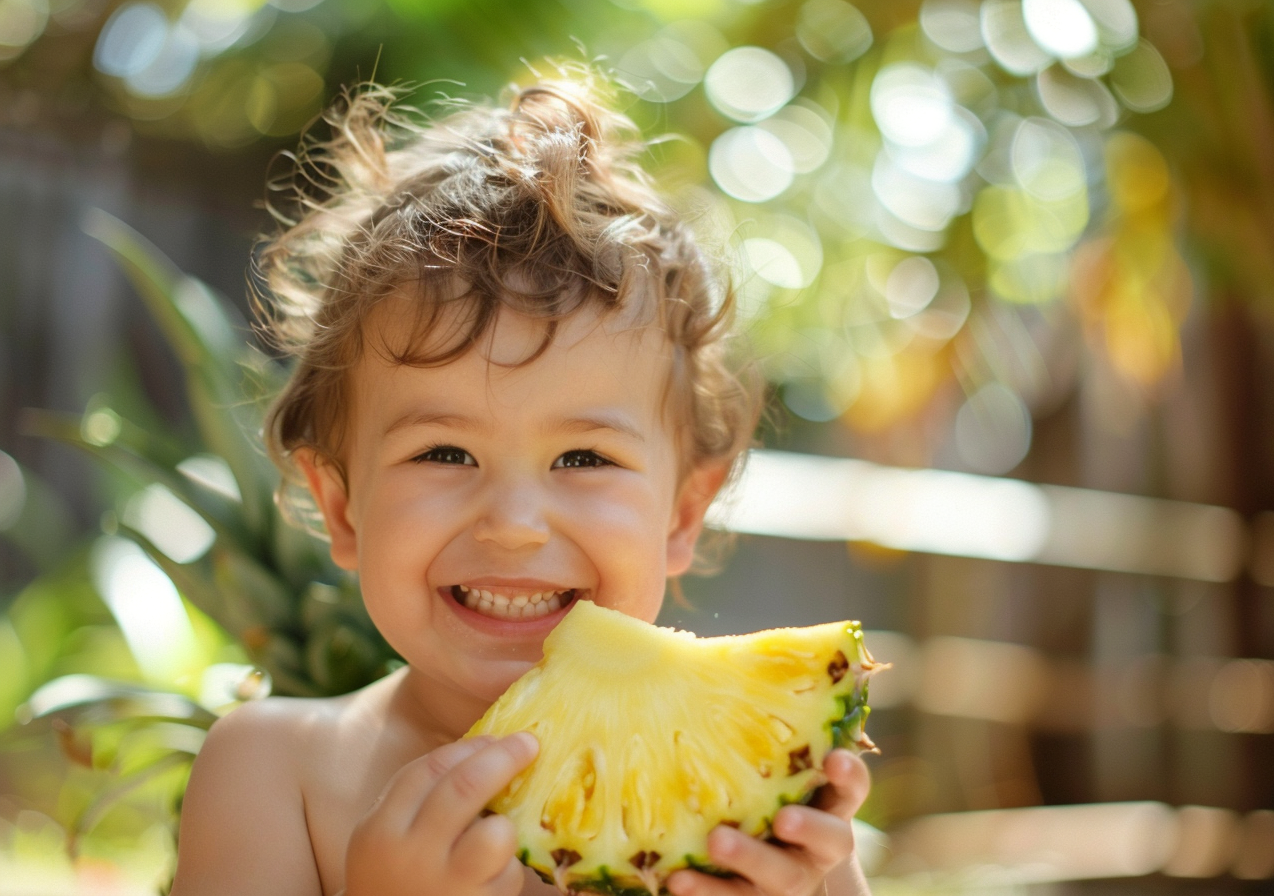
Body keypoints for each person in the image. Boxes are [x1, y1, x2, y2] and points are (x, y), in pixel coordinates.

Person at [170, 66, 873, 896]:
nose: (512, 523)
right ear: (341, 508)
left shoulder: (739, 813)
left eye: (584, 459)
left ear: (683, 514)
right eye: (444, 454)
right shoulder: (272, 773)